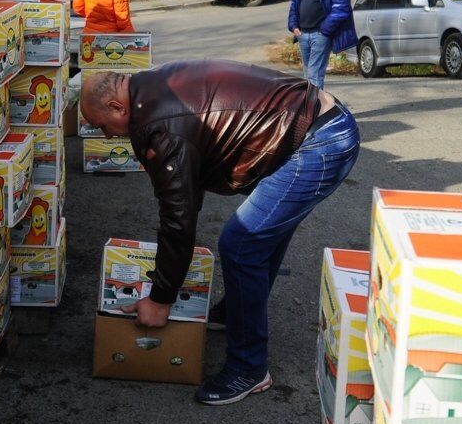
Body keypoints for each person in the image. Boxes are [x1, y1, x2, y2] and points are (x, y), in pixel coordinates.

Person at [80, 60, 360, 405]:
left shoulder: (160, 126)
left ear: (115, 106)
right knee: (259, 233)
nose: (107, 136)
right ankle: (236, 312)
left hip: (321, 142)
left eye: (101, 126)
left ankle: (249, 369)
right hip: (314, 123)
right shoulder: (149, 87)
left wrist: (160, 299)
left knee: (241, 243)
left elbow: (178, 218)